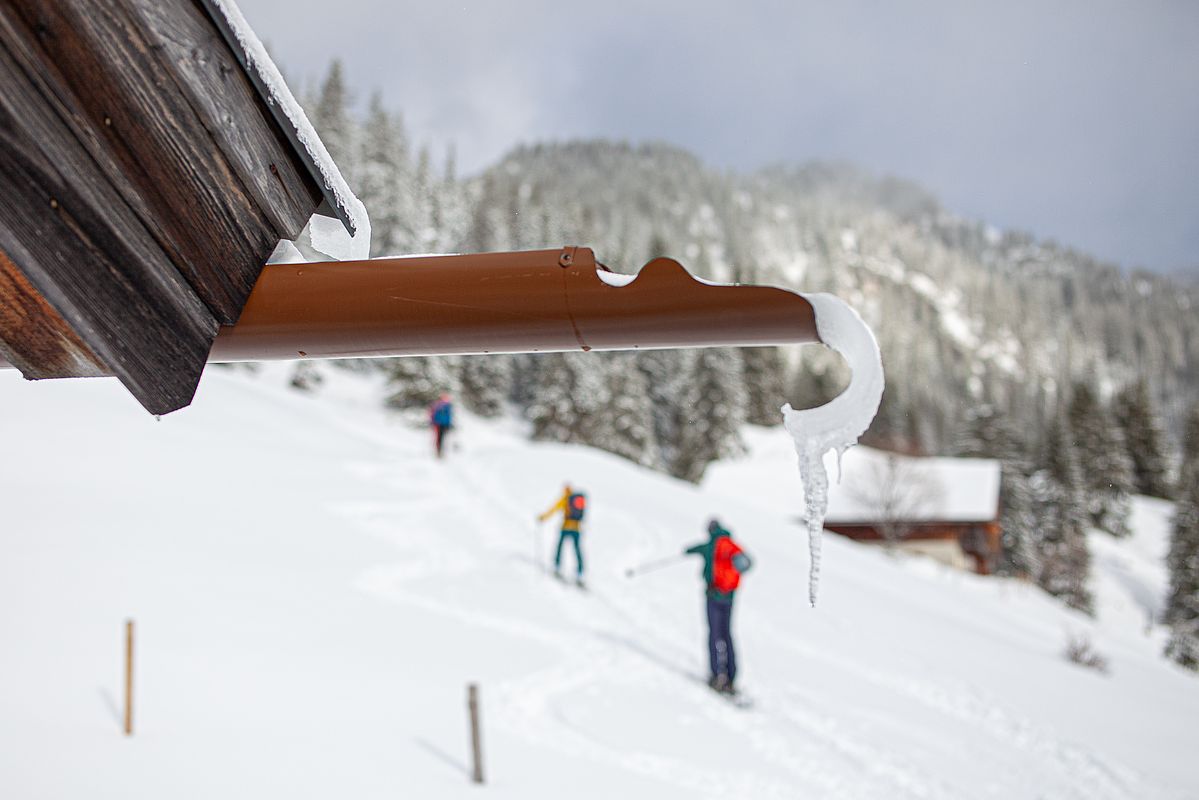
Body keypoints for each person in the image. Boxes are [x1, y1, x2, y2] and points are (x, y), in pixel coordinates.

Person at [684, 518, 752, 695]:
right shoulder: (731, 544)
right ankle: (731, 676)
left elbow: (694, 549)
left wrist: (686, 551)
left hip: (713, 596)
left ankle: (716, 675)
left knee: (714, 634)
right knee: (727, 634)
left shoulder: (711, 545)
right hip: (729, 597)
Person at [538, 483, 588, 586]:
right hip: (576, 529)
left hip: (565, 527)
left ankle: (557, 566)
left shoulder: (565, 499)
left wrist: (543, 517)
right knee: (577, 550)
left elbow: (553, 509)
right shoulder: (577, 500)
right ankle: (580, 573)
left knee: (560, 547)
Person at [428, 393, 453, 458]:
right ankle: (439, 451)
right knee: (441, 438)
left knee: (439, 438)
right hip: (441, 424)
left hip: (439, 424)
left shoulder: (436, 405)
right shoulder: (445, 406)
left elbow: (432, 414)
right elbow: (449, 416)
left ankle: (439, 451)